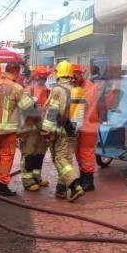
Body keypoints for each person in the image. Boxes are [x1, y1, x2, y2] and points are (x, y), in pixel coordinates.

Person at [0, 63, 34, 196]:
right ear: (16, 71)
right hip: (8, 130)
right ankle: (3, 186)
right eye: (19, 73)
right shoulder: (16, 88)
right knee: (7, 156)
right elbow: (27, 107)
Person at [42, 61, 85, 202]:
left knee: (59, 159)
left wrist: (46, 131)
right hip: (74, 131)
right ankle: (61, 189)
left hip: (61, 132)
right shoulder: (77, 89)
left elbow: (52, 113)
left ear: (58, 73)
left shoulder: (57, 90)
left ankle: (75, 186)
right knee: (67, 160)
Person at [20, 67, 52, 191]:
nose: (42, 80)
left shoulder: (49, 92)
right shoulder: (28, 90)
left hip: (43, 129)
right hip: (31, 129)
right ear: (35, 77)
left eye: (44, 77)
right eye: (40, 77)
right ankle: (27, 181)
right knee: (29, 154)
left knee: (40, 154)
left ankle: (36, 177)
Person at [72, 64, 100, 191]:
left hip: (88, 126)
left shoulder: (89, 87)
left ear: (80, 74)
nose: (73, 79)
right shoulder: (76, 86)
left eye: (75, 76)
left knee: (86, 153)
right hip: (80, 125)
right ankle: (83, 176)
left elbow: (84, 105)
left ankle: (88, 181)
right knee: (79, 152)